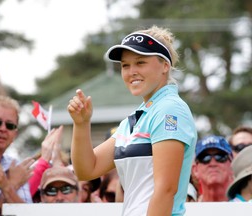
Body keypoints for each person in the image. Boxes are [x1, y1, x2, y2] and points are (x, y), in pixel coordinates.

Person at [67, 25, 197, 216]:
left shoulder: (169, 109)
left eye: (140, 62)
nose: (131, 71)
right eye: (125, 65)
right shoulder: (136, 119)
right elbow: (87, 169)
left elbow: (165, 190)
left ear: (165, 66)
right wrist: (81, 124)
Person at [0, 95, 34, 213]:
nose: (3, 129)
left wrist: (6, 185)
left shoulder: (15, 167)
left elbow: (27, 214)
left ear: (15, 134)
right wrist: (13, 184)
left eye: (9, 125)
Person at [192, 135, 233, 202]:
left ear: (231, 166)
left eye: (220, 157)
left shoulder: (246, 208)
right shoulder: (187, 211)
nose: (213, 163)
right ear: (195, 170)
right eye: (205, 158)